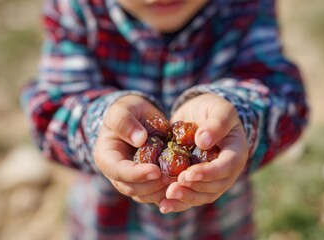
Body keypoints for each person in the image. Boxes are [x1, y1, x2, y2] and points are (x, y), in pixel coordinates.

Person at [21, 0, 309, 239]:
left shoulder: (246, 7)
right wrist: (100, 121)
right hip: (108, 224)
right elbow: (51, 113)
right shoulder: (76, 11)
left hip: (219, 224)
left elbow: (285, 99)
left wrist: (241, 115)